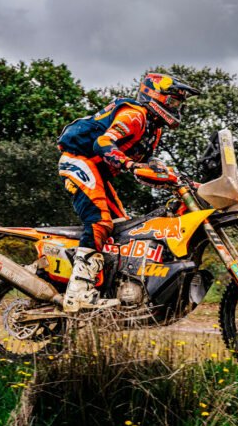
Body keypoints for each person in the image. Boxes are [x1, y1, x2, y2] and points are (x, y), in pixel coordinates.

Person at [56, 73, 200, 312]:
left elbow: (148, 165)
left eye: (179, 103)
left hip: (98, 172)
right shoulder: (135, 115)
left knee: (121, 228)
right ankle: (78, 292)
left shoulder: (154, 130)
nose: (177, 107)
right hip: (78, 160)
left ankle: (107, 286)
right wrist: (129, 165)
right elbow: (103, 143)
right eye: (173, 101)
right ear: (155, 95)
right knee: (99, 222)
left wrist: (182, 182)